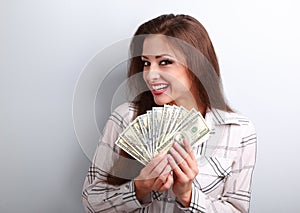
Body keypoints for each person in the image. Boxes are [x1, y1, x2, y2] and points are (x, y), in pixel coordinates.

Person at [82, 14, 257, 213]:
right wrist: (138, 188)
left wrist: (188, 196)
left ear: (196, 66)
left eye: (164, 62)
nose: (150, 74)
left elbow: (238, 210)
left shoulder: (238, 131)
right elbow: (90, 201)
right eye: (146, 63)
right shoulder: (125, 118)